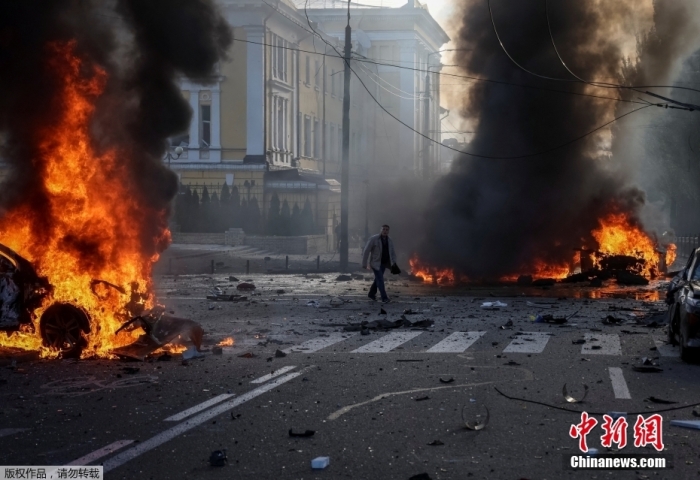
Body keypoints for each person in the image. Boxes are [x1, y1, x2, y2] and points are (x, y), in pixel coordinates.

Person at [362, 224, 396, 303]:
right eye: (383, 229)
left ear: (388, 231)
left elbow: (392, 253)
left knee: (378, 279)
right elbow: (366, 251)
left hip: (384, 263)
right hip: (375, 263)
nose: (385, 231)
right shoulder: (374, 239)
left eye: (387, 229)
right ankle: (384, 298)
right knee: (380, 279)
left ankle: (371, 293)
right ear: (380, 230)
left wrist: (393, 263)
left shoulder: (389, 240)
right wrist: (364, 263)